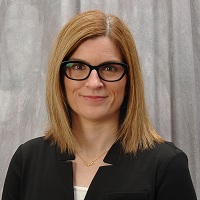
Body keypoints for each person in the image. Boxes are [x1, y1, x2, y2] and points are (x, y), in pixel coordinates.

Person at [2, 10, 197, 200]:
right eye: (78, 67)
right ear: (59, 78)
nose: (94, 83)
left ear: (129, 80)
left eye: (109, 68)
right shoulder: (26, 160)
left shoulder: (165, 164)